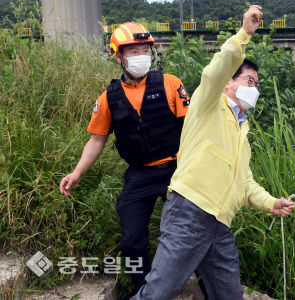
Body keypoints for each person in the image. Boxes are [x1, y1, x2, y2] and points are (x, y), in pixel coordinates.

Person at [132, 5, 295, 299]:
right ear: (230, 83)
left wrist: (272, 203)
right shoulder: (208, 102)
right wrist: (244, 34)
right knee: (158, 293)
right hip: (190, 212)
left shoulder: (242, 130)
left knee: (229, 295)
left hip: (220, 224)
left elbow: (245, 183)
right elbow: (216, 69)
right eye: (250, 81)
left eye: (257, 85)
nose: (255, 89)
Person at [58, 22, 199, 298]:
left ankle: (205, 285)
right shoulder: (108, 98)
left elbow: (191, 128)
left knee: (191, 231)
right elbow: (96, 140)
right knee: (132, 241)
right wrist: (76, 173)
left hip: (177, 170)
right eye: (133, 51)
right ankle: (143, 290)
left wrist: (189, 166)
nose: (140, 56)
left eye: (144, 49)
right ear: (119, 57)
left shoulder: (171, 84)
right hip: (140, 175)